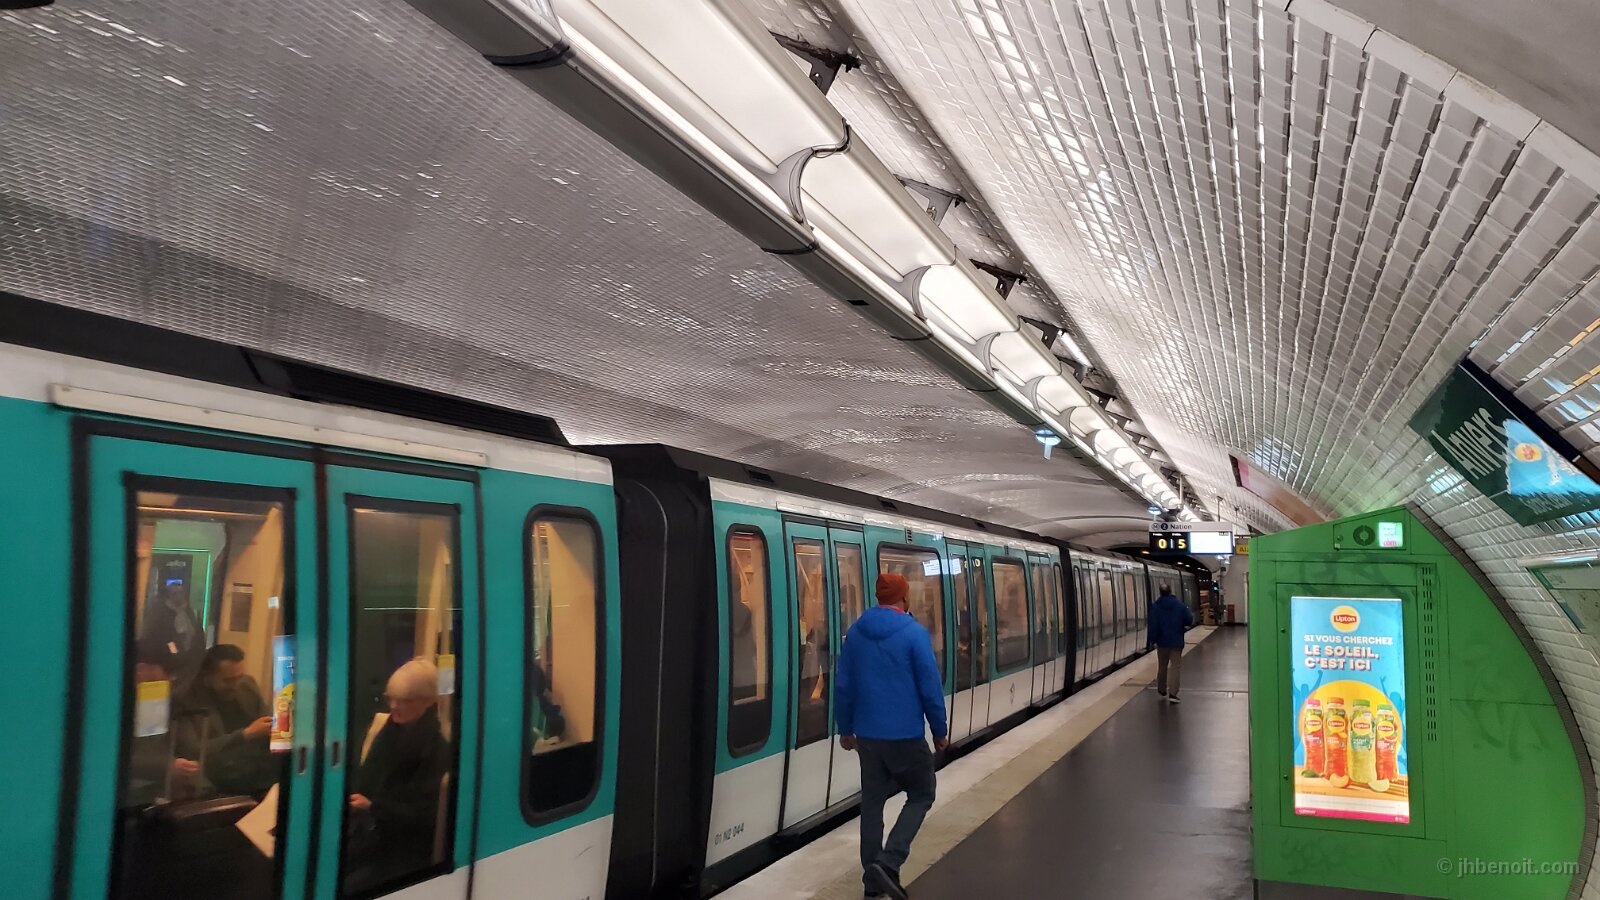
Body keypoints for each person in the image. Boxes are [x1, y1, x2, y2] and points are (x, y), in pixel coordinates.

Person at [835, 573, 948, 900]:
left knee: (872, 804)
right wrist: (939, 731)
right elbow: (930, 688)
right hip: (905, 737)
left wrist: (845, 728)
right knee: (922, 792)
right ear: (904, 598)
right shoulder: (914, 634)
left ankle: (872, 885)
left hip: (868, 738)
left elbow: (844, 686)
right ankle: (889, 862)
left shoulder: (856, 632)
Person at [346, 658, 451, 894]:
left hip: (402, 849)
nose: (394, 706)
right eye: (391, 698)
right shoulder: (386, 732)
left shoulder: (438, 750)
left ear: (428, 701)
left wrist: (373, 807)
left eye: (405, 700)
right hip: (371, 832)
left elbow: (426, 816)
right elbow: (365, 778)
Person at [174, 644, 276, 795]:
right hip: (219, 773)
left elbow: (267, 721)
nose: (236, 685)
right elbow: (195, 750)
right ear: (207, 678)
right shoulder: (185, 699)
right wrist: (245, 734)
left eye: (239, 677)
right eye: (228, 680)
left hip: (256, 766)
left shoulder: (246, 684)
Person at [1148, 582, 1195, 704]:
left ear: (1160, 592)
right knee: (1175, 667)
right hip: (1176, 642)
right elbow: (1189, 619)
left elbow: (1153, 625)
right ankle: (1173, 693)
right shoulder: (1180, 605)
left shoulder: (1155, 606)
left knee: (1162, 665)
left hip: (1162, 643)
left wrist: (1152, 640)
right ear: (1170, 591)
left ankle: (1161, 689)